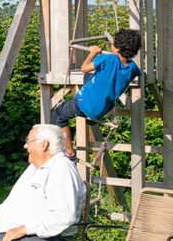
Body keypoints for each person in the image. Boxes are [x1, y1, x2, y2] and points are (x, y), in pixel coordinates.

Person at [51, 28, 142, 158]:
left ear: (117, 48)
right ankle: (92, 120)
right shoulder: (133, 67)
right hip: (103, 109)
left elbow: (84, 68)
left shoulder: (108, 59)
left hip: (86, 103)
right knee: (89, 77)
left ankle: (69, 152)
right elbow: (132, 78)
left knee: (59, 115)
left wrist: (92, 53)